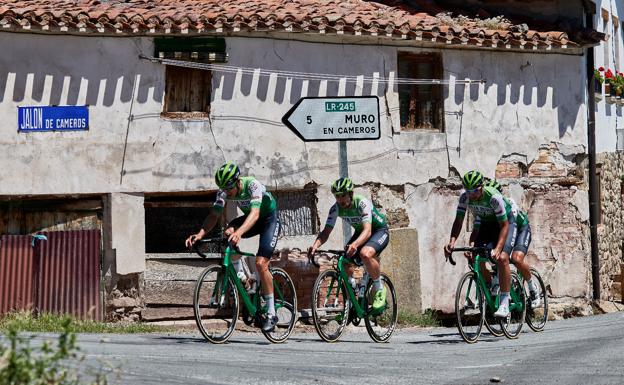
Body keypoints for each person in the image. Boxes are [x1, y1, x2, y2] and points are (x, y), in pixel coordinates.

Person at [185, 162, 281, 332]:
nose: (227, 192)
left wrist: (240, 232)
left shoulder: (253, 185)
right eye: (224, 188)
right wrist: (199, 234)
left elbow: (255, 214)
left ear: (238, 181)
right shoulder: (223, 191)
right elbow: (214, 214)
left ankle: (272, 313)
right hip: (251, 219)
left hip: (268, 220)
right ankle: (243, 277)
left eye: (229, 188)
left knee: (260, 263)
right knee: (228, 233)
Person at [309, 177, 390, 311]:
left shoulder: (361, 203)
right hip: (361, 232)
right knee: (344, 261)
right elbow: (326, 231)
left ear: (351, 194)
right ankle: (353, 287)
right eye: (337, 196)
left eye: (343, 195)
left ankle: (379, 289)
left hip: (379, 231)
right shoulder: (335, 209)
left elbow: (368, 230)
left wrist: (356, 244)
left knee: (365, 253)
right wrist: (316, 245)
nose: (340, 199)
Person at [444, 170, 516, 318]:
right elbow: (458, 221)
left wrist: (497, 248)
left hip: (505, 223)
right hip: (486, 224)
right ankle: (490, 285)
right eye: (468, 191)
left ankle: (504, 302)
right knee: (474, 254)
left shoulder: (493, 197)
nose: (471, 194)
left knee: (502, 258)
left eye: (474, 191)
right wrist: (452, 242)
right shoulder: (465, 197)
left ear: (481, 187)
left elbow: (504, 225)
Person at [483, 179, 541, 308]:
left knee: (516, 258)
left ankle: (532, 287)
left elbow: (510, 230)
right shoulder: (486, 209)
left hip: (520, 229)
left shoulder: (509, 204)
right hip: (504, 231)